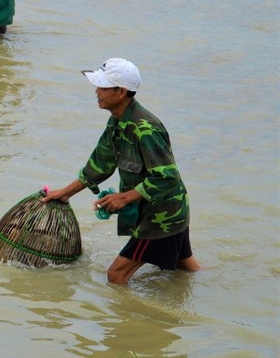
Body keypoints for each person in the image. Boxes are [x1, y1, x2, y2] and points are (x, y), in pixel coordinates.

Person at [42, 58, 199, 284]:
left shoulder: (145, 128)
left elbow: (167, 178)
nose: (97, 91)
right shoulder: (117, 122)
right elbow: (100, 163)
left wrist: (124, 198)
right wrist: (65, 193)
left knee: (116, 275)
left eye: (103, 87)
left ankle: (128, 318)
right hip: (173, 211)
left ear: (121, 92)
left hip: (160, 217)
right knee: (186, 269)